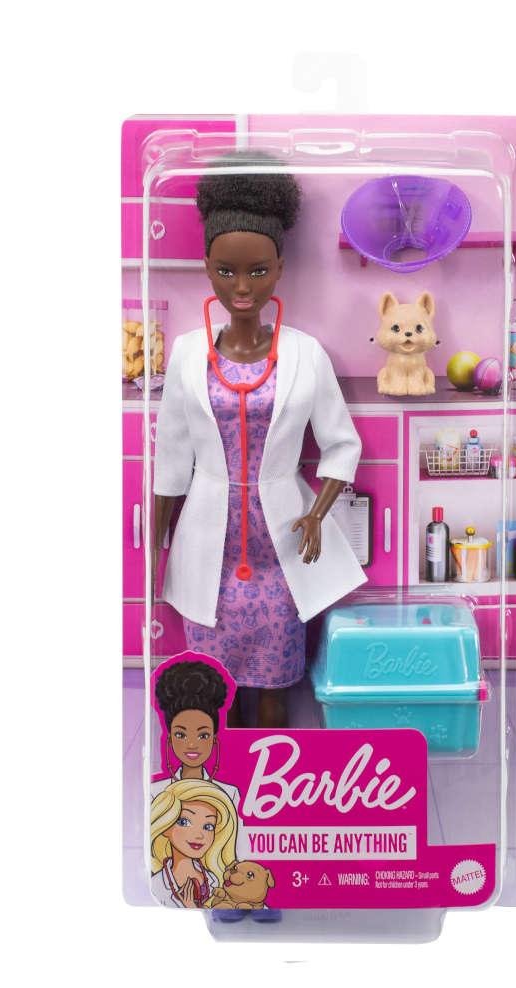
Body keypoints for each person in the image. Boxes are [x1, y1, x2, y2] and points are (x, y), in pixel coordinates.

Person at [152, 152, 366, 727]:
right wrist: (154, 552)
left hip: (283, 542)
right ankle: (222, 781)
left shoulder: (304, 353)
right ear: (207, 267)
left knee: (275, 686)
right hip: (209, 543)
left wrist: (317, 513)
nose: (243, 287)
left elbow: (342, 444)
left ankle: (270, 780)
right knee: (212, 692)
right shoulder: (187, 354)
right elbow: (171, 458)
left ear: (279, 270)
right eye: (226, 272)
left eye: (258, 271)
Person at [149, 657, 241, 808]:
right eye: (181, 735)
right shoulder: (156, 793)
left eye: (203, 735)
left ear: (214, 738)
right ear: (170, 738)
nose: (192, 744)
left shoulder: (230, 794)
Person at [149, 780, 238, 909]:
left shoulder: (215, 880)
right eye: (184, 822)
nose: (199, 835)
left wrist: (191, 905)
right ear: (166, 826)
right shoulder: (156, 886)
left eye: (208, 826)